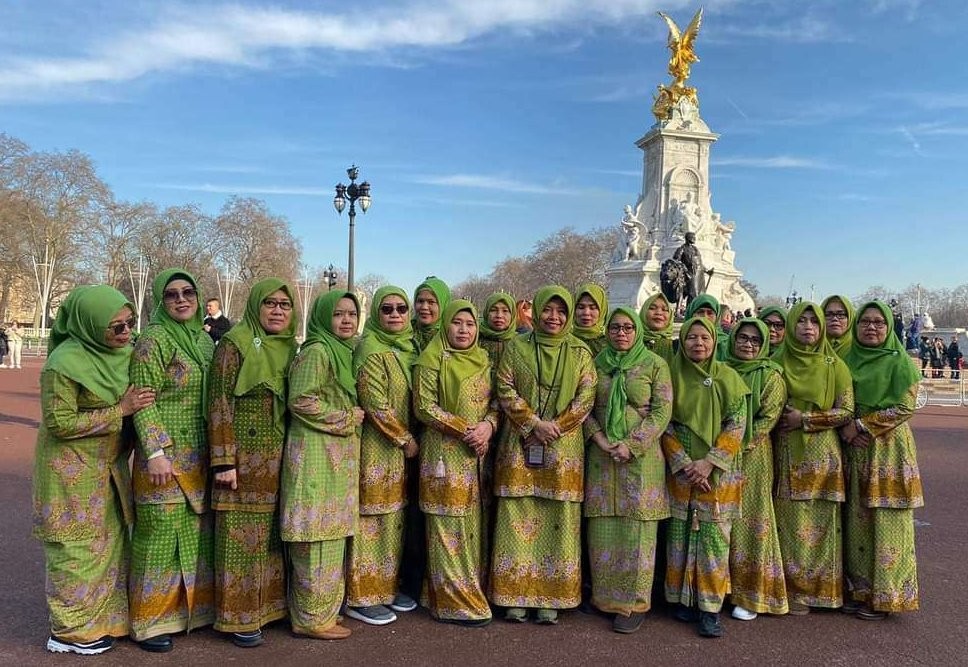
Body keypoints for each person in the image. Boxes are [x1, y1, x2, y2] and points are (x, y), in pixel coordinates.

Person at [33, 285, 155, 655]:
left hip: (106, 468)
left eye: (130, 324)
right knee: (75, 548)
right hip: (68, 472)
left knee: (109, 544)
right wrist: (120, 410)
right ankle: (67, 631)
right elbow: (60, 422)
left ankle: (101, 621)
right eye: (116, 327)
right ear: (89, 325)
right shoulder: (64, 363)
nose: (126, 334)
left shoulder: (122, 356)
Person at [490, 286, 597, 624]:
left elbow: (586, 396)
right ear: (534, 312)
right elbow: (504, 388)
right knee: (516, 516)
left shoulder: (580, 351)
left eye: (560, 312)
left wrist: (556, 427)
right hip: (519, 445)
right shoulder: (515, 347)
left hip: (563, 449)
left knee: (558, 520)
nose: (554, 317)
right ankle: (514, 595)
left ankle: (553, 596)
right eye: (547, 311)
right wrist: (533, 423)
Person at [128, 270, 216, 652]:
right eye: (171, 295)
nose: (182, 300)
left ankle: (190, 615)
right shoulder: (152, 341)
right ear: (160, 302)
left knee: (195, 536)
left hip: (199, 456)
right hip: (162, 461)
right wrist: (156, 452)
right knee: (159, 538)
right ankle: (148, 623)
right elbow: (142, 401)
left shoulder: (204, 341)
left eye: (188, 292)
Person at [209, 278, 297, 648]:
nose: (277, 310)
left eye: (284, 304)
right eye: (270, 303)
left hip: (278, 459)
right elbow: (220, 402)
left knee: (271, 539)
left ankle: (268, 609)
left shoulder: (291, 348)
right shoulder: (235, 344)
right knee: (239, 540)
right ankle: (239, 618)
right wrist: (223, 461)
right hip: (242, 460)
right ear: (256, 306)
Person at [584, 307, 672, 633]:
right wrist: (600, 439)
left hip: (642, 459)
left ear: (636, 332)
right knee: (604, 529)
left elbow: (662, 412)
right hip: (602, 457)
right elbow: (584, 407)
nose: (621, 333)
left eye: (627, 328)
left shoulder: (654, 364)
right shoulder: (597, 365)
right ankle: (604, 599)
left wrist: (632, 444)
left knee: (637, 532)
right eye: (615, 328)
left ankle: (635, 604)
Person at [281, 290, 363, 640]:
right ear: (323, 317)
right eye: (338, 314)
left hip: (334, 458)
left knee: (330, 535)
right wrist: (346, 417)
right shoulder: (316, 351)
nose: (346, 320)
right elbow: (300, 400)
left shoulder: (340, 352)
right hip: (314, 456)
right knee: (313, 536)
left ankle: (323, 612)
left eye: (351, 314)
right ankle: (310, 619)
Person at [662, 317, 749, 638]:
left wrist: (710, 463)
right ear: (681, 342)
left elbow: (736, 424)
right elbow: (664, 423)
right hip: (681, 470)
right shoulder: (670, 376)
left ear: (715, 342)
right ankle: (682, 600)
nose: (698, 344)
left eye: (704, 338)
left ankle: (710, 608)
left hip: (717, 475)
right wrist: (685, 463)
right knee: (680, 536)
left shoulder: (729, 377)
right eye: (691, 338)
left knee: (714, 539)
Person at [414, 300, 498, 627]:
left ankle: (453, 591)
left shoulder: (483, 360)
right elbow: (424, 406)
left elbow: (494, 404)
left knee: (470, 529)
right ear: (446, 325)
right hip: (444, 455)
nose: (464, 330)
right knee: (447, 526)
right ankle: (454, 602)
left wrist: (487, 427)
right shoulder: (432, 359)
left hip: (477, 456)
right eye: (457, 323)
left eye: (470, 324)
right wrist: (467, 430)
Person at [840, 301, 924, 620]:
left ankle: (887, 596)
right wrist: (846, 430)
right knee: (857, 521)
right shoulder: (847, 359)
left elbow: (905, 407)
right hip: (856, 450)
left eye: (878, 322)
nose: (871, 327)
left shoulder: (900, 362)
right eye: (865, 322)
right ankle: (860, 591)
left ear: (889, 327)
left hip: (889, 450)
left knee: (889, 522)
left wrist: (859, 425)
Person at [773, 302, 854, 615]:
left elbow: (846, 410)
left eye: (814, 322)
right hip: (787, 453)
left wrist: (806, 419)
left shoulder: (835, 366)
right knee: (789, 526)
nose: (808, 327)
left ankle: (824, 593)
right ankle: (793, 592)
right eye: (801, 321)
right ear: (792, 326)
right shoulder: (777, 361)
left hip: (823, 456)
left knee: (823, 528)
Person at [346, 286, 419, 626]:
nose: (394, 314)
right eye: (386, 309)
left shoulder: (407, 347)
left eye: (401, 309)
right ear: (375, 313)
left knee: (393, 520)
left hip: (397, 455)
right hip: (376, 449)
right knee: (370, 521)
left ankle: (385, 588)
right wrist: (404, 439)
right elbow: (375, 403)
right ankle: (360, 596)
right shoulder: (371, 349)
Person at [723, 319, 789, 621]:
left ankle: (752, 594)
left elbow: (767, 419)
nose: (747, 344)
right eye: (742, 338)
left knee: (751, 521)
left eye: (754, 339)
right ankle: (720, 588)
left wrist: (731, 446)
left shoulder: (771, 375)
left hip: (752, 456)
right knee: (722, 523)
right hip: (720, 457)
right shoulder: (721, 369)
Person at [478, 292, 518, 380]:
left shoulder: (520, 343)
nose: (499, 315)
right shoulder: (475, 339)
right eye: (493, 310)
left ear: (513, 315)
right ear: (486, 313)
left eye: (505, 311)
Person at [413, 276, 451, 351]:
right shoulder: (405, 335)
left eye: (431, 302)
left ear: (443, 305)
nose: (424, 307)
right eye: (420, 301)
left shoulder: (453, 337)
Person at [685, 294, 729, 360]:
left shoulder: (727, 344)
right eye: (700, 312)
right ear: (691, 314)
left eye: (710, 313)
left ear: (717, 317)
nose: (705, 317)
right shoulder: (679, 342)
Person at [573, 283, 609, 356]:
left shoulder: (611, 343)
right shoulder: (563, 341)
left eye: (593, 308)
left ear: (602, 311)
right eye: (581, 307)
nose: (586, 313)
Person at [638, 293, 676, 364]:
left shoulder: (677, 348)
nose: (659, 313)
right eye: (652, 308)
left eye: (665, 309)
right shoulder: (631, 345)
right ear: (643, 312)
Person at [672, 232, 705, 305]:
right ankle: (690, 311)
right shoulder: (682, 249)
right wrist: (685, 267)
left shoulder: (695, 249)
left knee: (701, 294)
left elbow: (699, 262)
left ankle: (696, 309)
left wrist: (707, 270)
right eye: (693, 237)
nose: (695, 239)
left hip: (699, 275)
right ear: (688, 238)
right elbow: (675, 261)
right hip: (689, 274)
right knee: (693, 294)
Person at [822, 295, 855, 359]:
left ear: (850, 318)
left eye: (841, 314)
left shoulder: (858, 349)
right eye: (829, 315)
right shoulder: (812, 347)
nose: (835, 318)